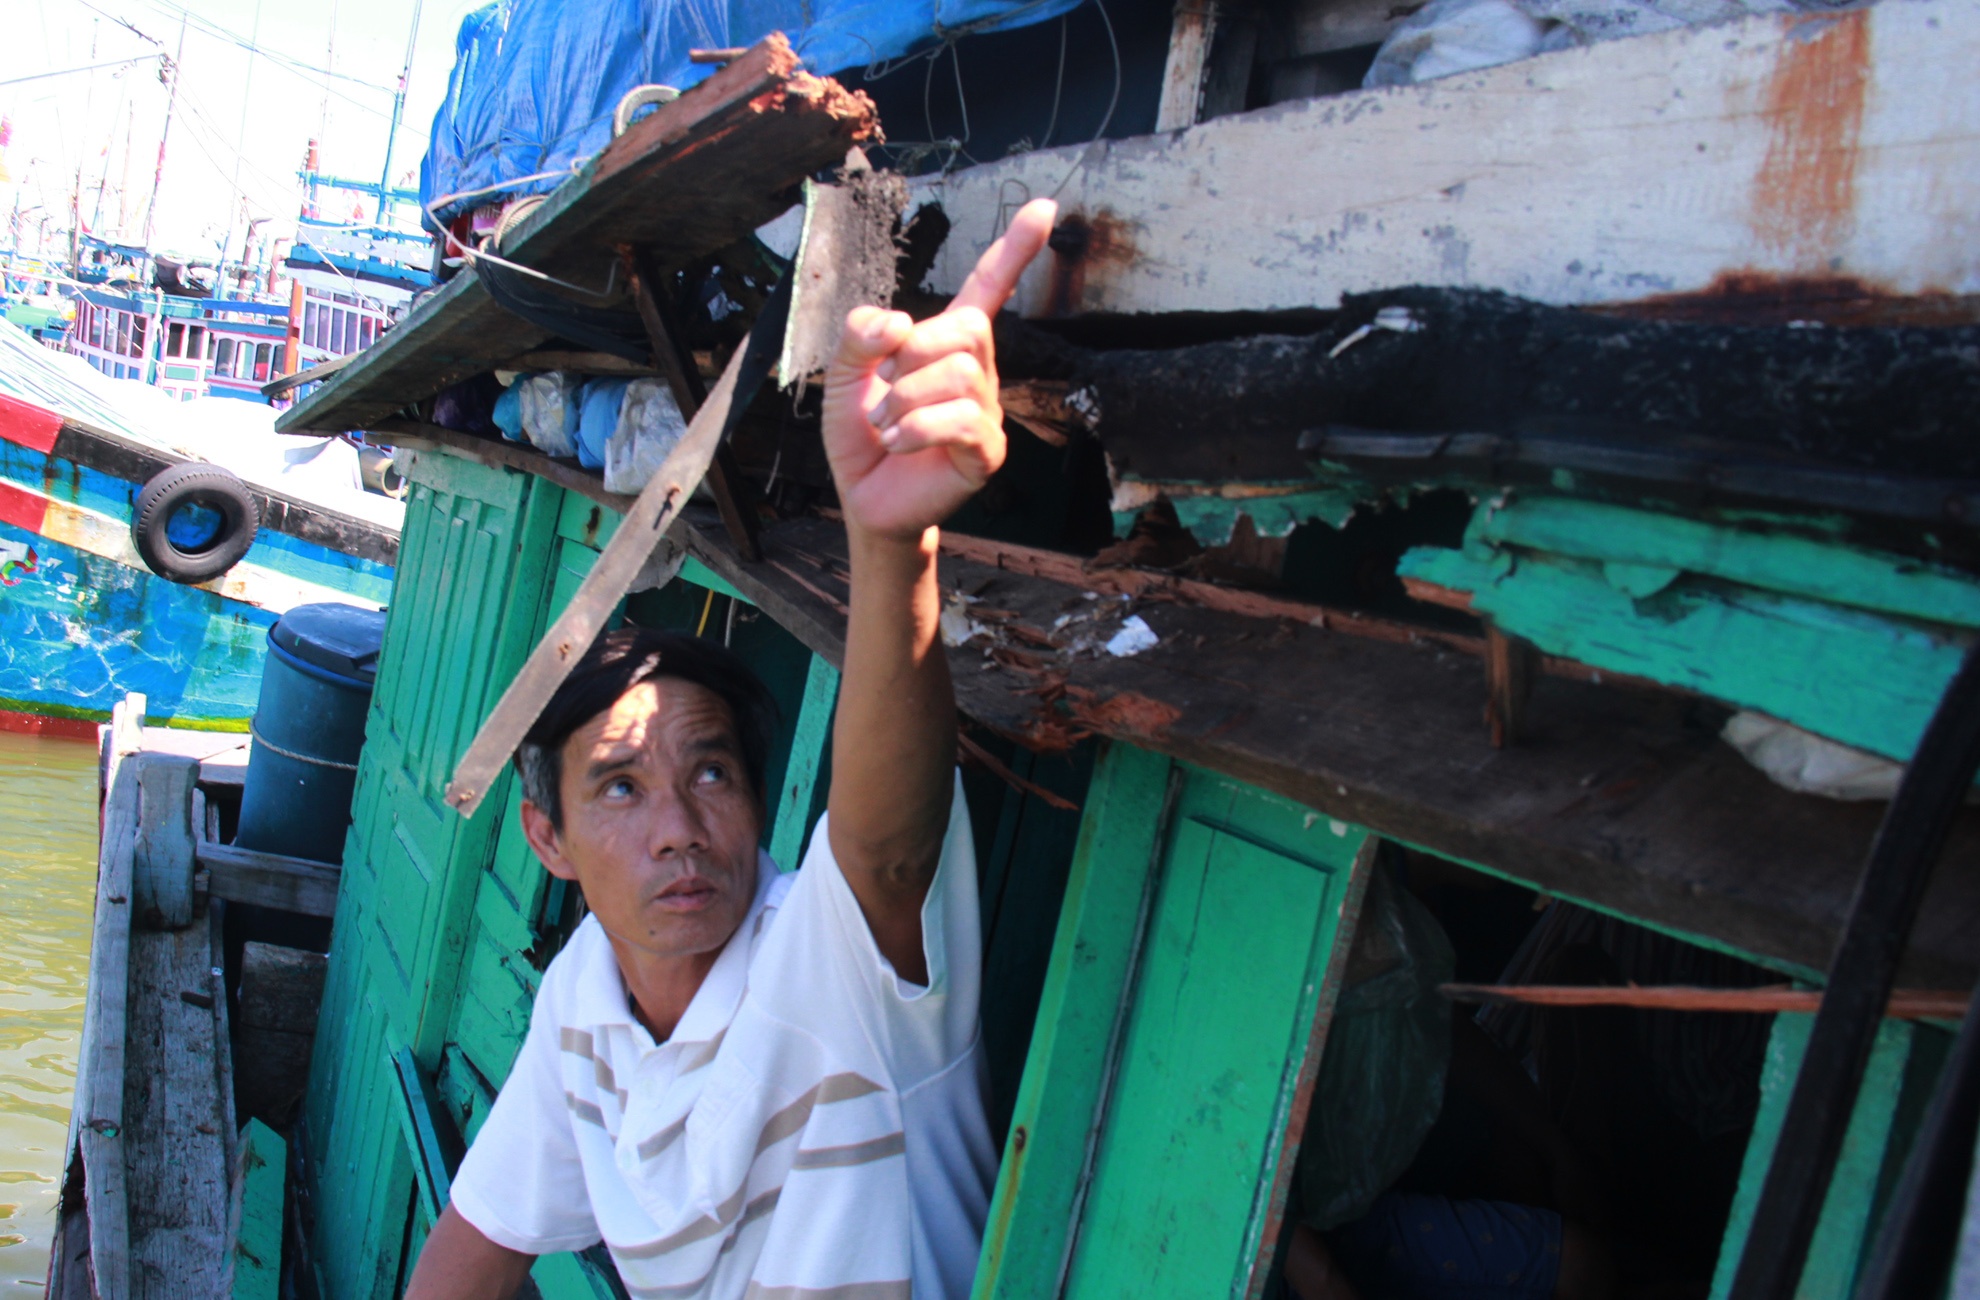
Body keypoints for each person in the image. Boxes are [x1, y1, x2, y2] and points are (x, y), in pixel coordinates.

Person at [403, 196, 1060, 1300]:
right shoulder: (587, 1002)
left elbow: (890, 854)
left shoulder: (831, 957)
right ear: (547, 839)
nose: (680, 830)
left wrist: (894, 543)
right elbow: (468, 1257)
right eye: (619, 786)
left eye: (711, 770)